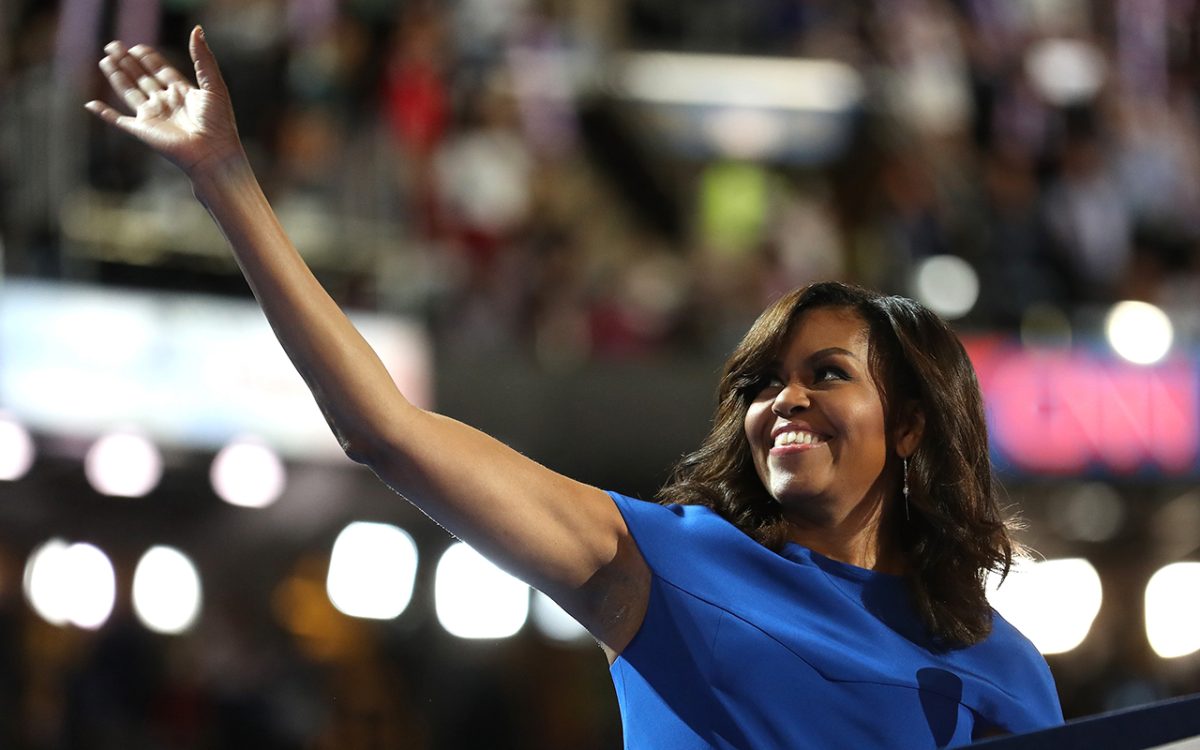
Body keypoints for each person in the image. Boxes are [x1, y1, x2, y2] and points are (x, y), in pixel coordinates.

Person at [87, 29, 1063, 748]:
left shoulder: (1005, 670)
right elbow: (382, 430)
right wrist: (225, 179)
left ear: (908, 428)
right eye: (765, 381)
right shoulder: (664, 567)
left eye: (827, 374)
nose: (783, 401)